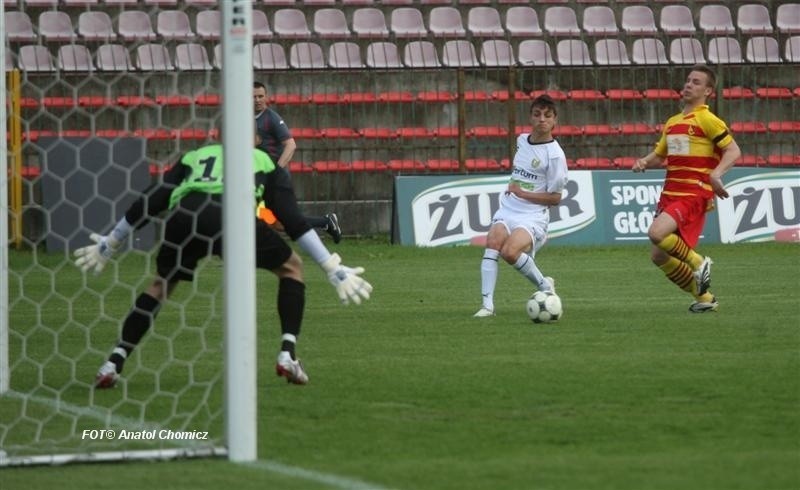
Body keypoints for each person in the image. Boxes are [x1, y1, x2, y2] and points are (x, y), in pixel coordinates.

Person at [75, 138, 372, 389]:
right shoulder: (263, 161)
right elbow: (293, 221)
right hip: (234, 216)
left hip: (186, 216)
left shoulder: (197, 155)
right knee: (291, 267)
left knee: (161, 286)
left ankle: (113, 362)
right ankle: (287, 354)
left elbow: (154, 198)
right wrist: (330, 266)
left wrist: (112, 241)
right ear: (252, 137)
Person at [633, 64, 741, 313]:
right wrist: (645, 162)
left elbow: (734, 150)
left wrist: (716, 174)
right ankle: (705, 299)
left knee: (657, 233)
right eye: (688, 80)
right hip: (670, 194)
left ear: (708, 91)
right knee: (658, 256)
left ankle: (698, 262)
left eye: (696, 82)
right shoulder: (674, 122)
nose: (688, 85)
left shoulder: (708, 119)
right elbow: (662, 155)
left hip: (694, 192)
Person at [474, 94, 569, 317]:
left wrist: (522, 192)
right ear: (530, 118)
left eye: (547, 116)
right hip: (508, 208)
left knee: (509, 252)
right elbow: (520, 170)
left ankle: (545, 286)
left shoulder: (555, 156)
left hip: (533, 216)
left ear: (555, 120)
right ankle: (487, 306)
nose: (542, 120)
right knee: (493, 242)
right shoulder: (521, 140)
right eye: (537, 115)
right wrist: (515, 184)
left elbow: (556, 198)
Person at [254, 81, 342, 243]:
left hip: (273, 178)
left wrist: (276, 172)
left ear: (266, 97)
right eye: (254, 97)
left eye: (261, 96)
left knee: (280, 221)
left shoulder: (271, 119)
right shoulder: (245, 118)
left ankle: (326, 223)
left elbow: (291, 145)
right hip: (259, 177)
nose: (258, 100)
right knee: (275, 222)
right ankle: (325, 223)